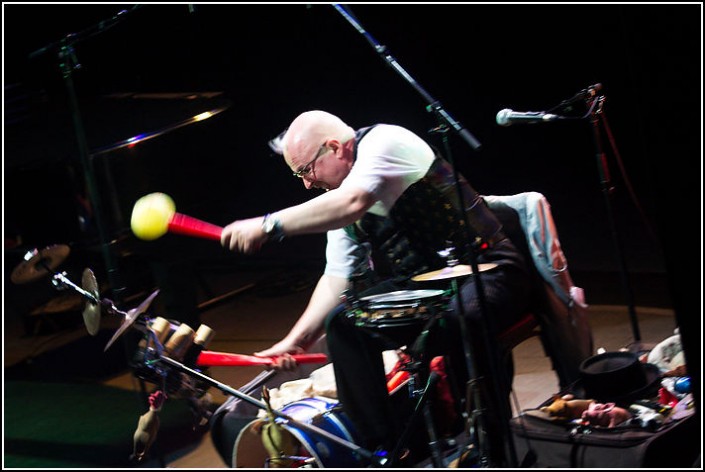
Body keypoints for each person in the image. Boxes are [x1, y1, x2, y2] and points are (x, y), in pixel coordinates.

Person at [220, 110, 533, 467]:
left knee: (458, 321)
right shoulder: (338, 201)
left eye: (306, 170)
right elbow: (337, 277)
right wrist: (296, 339)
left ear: (335, 148)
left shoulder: (386, 141)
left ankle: (490, 446)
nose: (306, 183)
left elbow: (352, 202)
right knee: (343, 326)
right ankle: (386, 450)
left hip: (489, 270)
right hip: (426, 289)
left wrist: (269, 224)